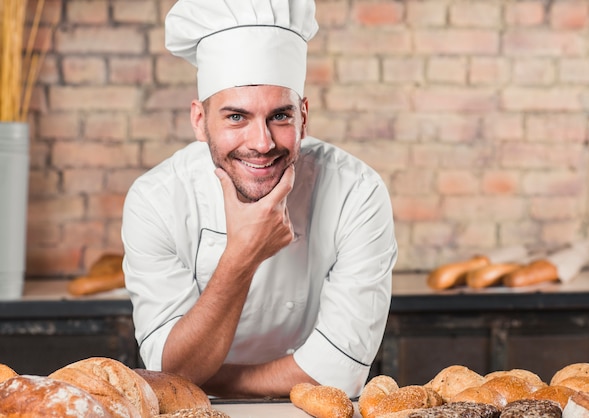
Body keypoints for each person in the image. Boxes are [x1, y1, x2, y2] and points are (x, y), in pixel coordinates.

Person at [121, 0, 397, 399]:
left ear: (304, 116)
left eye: (280, 116)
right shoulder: (156, 201)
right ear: (200, 121)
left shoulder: (357, 192)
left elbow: (340, 373)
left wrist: (208, 377)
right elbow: (172, 367)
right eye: (236, 117)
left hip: (312, 411)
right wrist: (243, 253)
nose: (262, 143)